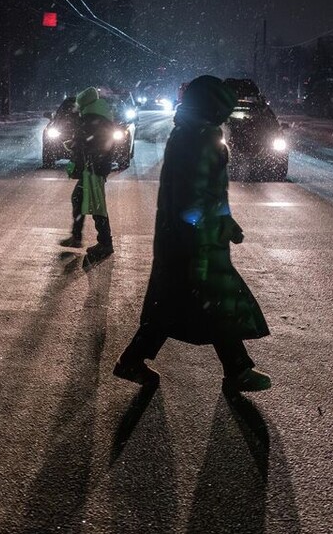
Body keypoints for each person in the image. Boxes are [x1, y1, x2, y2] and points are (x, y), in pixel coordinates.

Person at [114, 75, 271, 393]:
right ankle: (237, 370)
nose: (227, 115)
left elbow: (209, 191)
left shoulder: (193, 133)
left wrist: (225, 220)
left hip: (189, 237)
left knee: (181, 302)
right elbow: (192, 196)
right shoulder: (199, 138)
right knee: (206, 302)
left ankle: (234, 368)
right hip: (194, 240)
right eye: (223, 108)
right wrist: (200, 237)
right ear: (211, 107)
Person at [61, 87, 115, 259]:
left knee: (96, 205)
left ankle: (105, 243)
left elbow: (86, 142)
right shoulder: (100, 115)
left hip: (94, 167)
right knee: (79, 198)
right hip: (96, 166)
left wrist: (73, 145)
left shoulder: (91, 118)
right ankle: (77, 236)